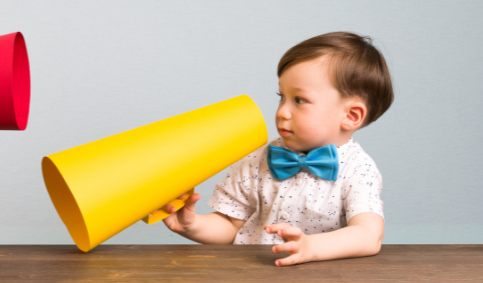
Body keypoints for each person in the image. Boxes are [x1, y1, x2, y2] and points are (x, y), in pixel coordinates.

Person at [160, 32, 392, 266]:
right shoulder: (256, 160)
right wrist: (191, 225)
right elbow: (231, 227)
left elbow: (369, 235)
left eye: (299, 100)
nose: (282, 111)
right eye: (282, 96)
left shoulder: (358, 169)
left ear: (351, 116)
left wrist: (312, 247)